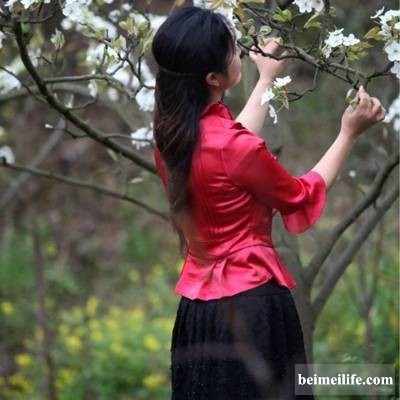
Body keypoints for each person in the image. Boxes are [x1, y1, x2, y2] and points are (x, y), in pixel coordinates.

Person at [150, 5, 386, 400]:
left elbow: (228, 145)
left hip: (199, 311)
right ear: (212, 78)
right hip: (252, 307)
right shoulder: (232, 147)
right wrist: (349, 133)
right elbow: (299, 195)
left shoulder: (169, 137)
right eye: (232, 49)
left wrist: (265, 79)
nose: (240, 52)